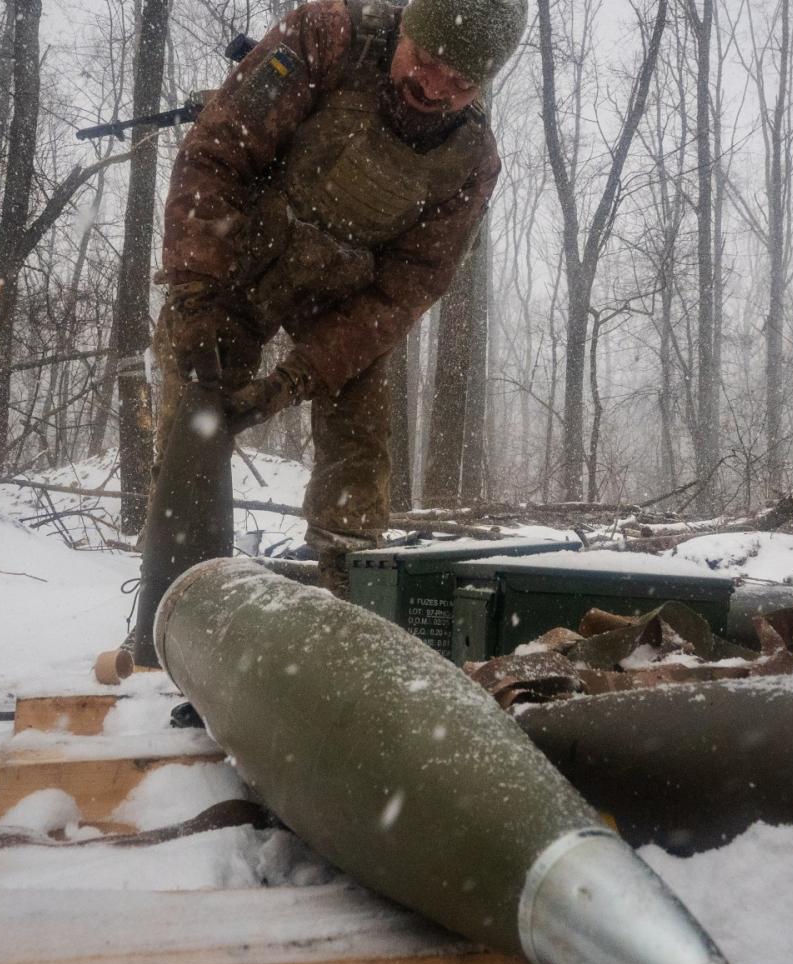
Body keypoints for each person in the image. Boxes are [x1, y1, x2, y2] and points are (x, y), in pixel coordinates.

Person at [147, 0, 525, 603]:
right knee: (195, 404)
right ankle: (176, 591)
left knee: (360, 446)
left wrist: (295, 379)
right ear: (407, 29)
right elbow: (216, 156)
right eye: (426, 62)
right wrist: (195, 289)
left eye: (459, 83)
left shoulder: (471, 161)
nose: (433, 88)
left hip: (345, 297)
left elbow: (405, 291)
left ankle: (353, 597)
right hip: (241, 256)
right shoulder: (328, 38)